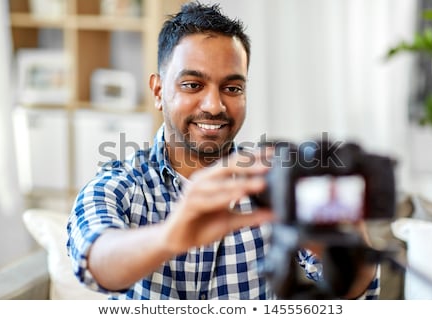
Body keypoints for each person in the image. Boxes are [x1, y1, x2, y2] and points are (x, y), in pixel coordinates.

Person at [67, 1, 380, 300]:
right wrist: (171, 235)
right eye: (192, 84)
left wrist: (346, 234)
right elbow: (95, 262)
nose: (214, 106)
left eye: (232, 88)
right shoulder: (121, 183)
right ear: (159, 91)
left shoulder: (273, 182)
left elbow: (353, 290)